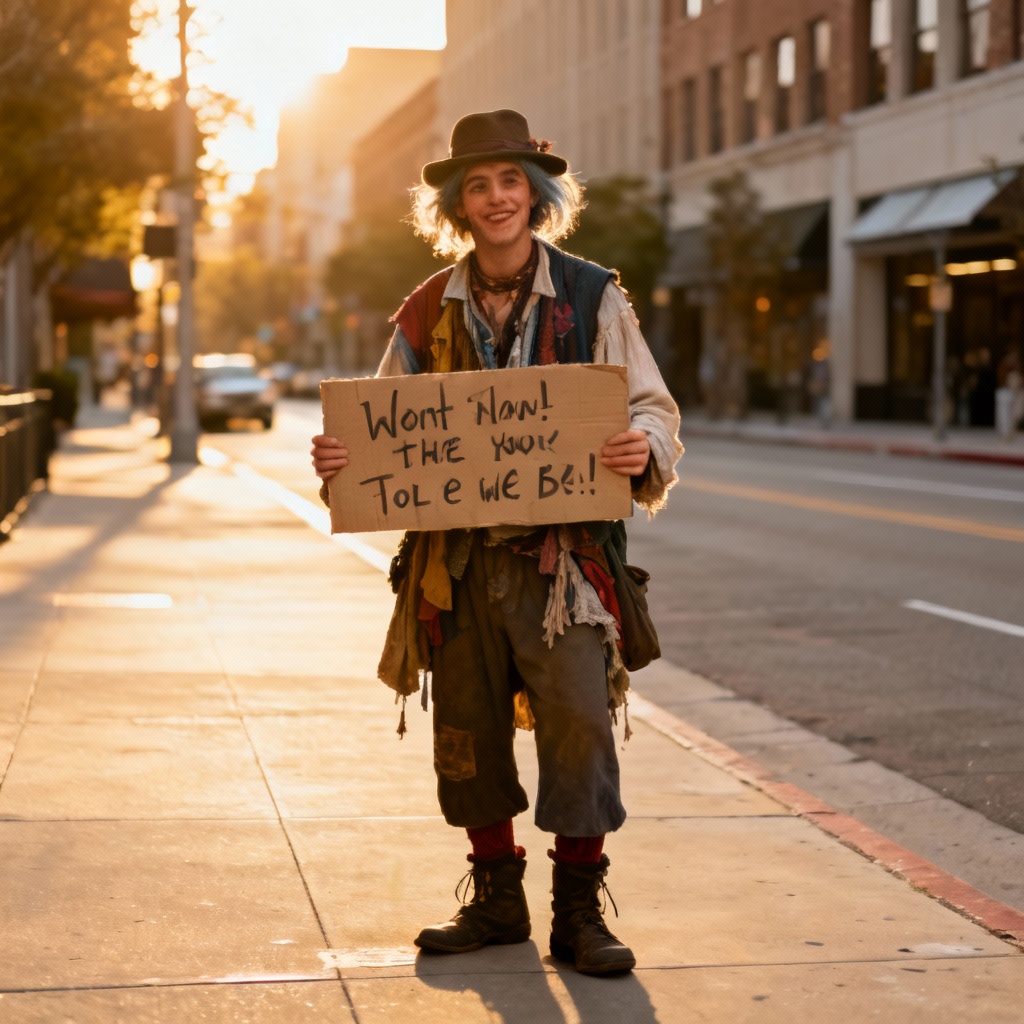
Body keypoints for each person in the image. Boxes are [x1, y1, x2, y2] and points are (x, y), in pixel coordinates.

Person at [311, 109, 683, 976]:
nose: (495, 198)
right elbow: (379, 428)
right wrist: (340, 458)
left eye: (510, 181)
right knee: (470, 729)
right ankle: (496, 897)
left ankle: (579, 909)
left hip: (565, 570)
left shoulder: (595, 296)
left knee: (581, 726)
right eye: (477, 185)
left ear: (536, 194)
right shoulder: (423, 307)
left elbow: (652, 406)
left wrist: (643, 448)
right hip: (460, 567)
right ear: (457, 205)